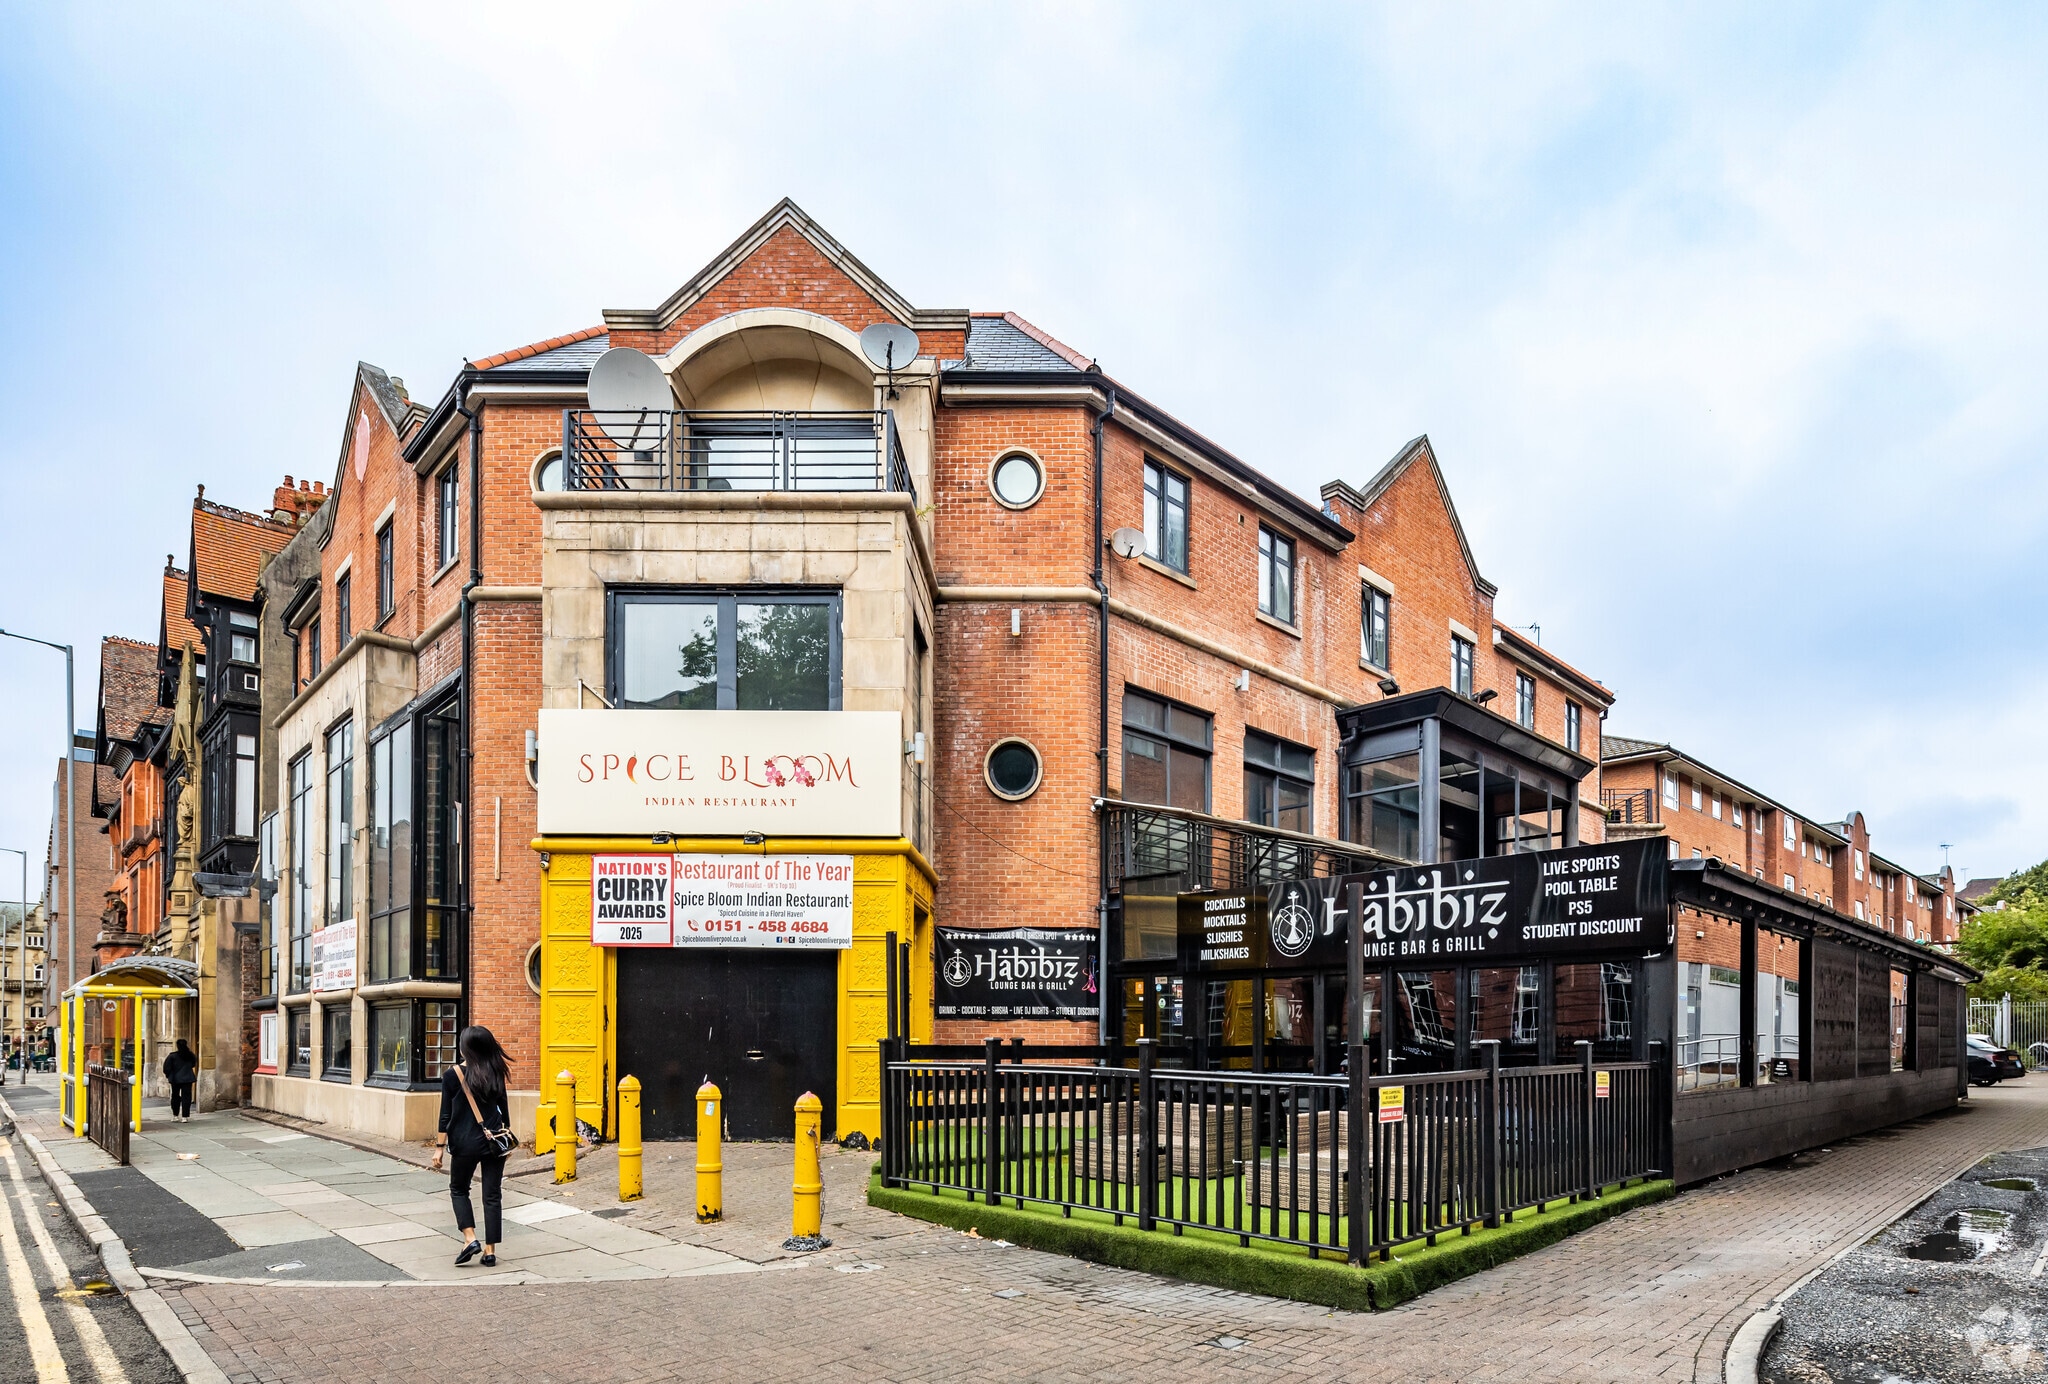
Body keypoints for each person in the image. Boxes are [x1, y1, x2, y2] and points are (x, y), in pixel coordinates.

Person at [430, 1026, 513, 1268]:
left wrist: (438, 1148)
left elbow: (445, 1114)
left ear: (465, 1048)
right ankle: (490, 1251)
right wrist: (505, 1142)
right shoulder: (496, 1071)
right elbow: (504, 1112)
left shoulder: (452, 1075)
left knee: (458, 1188)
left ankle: (470, 1238)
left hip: (464, 1143)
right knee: (492, 1195)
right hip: (494, 1140)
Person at [163, 1039, 197, 1121]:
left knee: (175, 1096)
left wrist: (169, 1075)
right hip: (188, 1078)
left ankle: (175, 1115)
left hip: (175, 1079)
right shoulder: (190, 1055)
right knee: (187, 1097)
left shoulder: (172, 1056)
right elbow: (193, 1064)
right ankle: (185, 1116)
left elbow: (166, 1068)